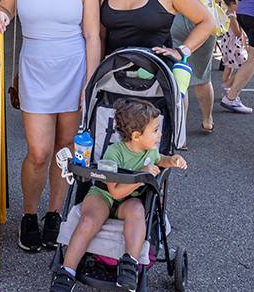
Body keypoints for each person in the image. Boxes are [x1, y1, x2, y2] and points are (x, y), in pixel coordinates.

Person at [0, 0, 101, 253]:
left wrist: (90, 81)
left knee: (65, 150)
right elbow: (5, 6)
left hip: (73, 69)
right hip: (34, 68)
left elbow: (92, 35)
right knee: (38, 152)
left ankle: (54, 214)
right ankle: (29, 215)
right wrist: (0, 14)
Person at [48, 98, 185, 292]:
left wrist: (172, 160)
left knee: (137, 210)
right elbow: (115, 191)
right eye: (155, 130)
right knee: (88, 220)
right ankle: (67, 270)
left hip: (129, 201)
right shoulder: (114, 153)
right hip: (104, 195)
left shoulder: (151, 150)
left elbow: (159, 159)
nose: (160, 134)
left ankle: (129, 263)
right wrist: (142, 176)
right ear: (136, 135)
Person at [96, 0, 216, 147]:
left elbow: (207, 21)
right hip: (113, 84)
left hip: (154, 86)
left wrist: (181, 51)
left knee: (152, 154)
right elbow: (100, 37)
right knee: (110, 147)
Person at [153, 0, 225, 133]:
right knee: (202, 77)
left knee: (177, 76)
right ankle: (207, 119)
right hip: (202, 23)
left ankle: (180, 133)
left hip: (170, 21)